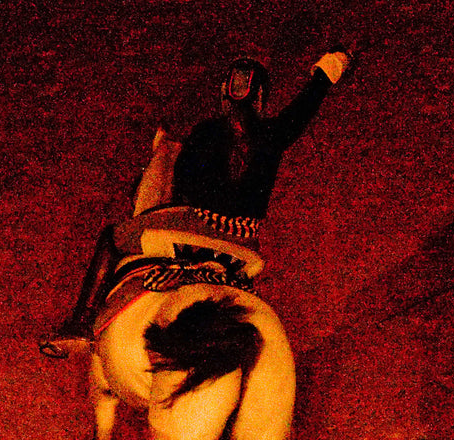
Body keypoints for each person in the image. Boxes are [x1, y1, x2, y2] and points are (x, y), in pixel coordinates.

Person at [40, 50, 352, 358]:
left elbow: (184, 183)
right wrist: (330, 67)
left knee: (112, 238)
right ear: (259, 99)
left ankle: (79, 323)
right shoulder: (275, 131)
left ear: (224, 96)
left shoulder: (206, 132)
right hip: (247, 241)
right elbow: (310, 99)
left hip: (199, 226)